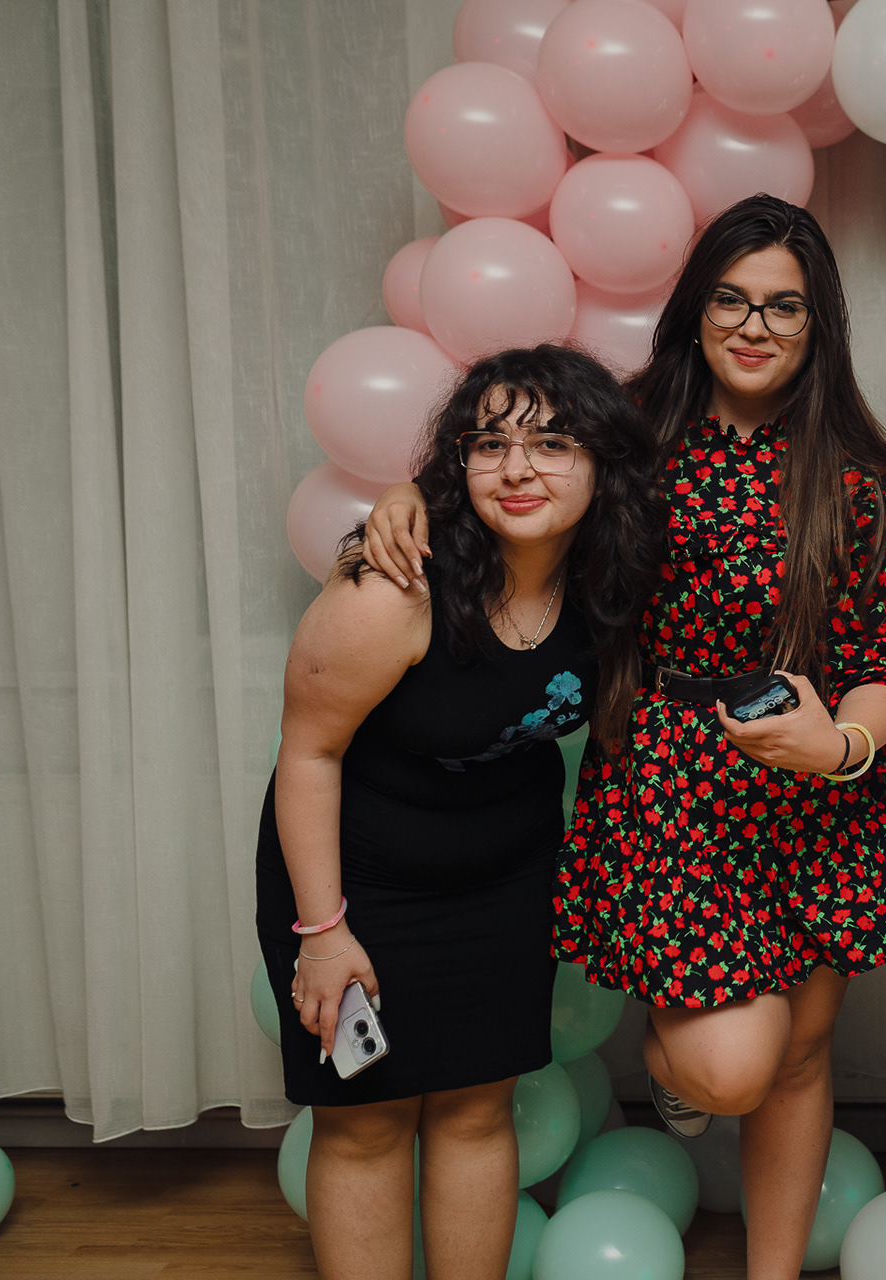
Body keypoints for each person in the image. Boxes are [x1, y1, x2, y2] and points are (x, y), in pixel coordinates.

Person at [362, 195, 886, 1280]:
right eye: (730, 299)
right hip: (671, 783)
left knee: (803, 1053)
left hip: (818, 782)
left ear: (818, 323)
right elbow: (504, 481)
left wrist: (843, 750)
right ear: (695, 308)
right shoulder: (625, 431)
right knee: (733, 1066)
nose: (754, 325)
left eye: (783, 306)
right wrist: (405, 495)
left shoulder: (860, 474)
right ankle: (675, 1083)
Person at [257, 345, 663, 1280]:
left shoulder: (612, 581)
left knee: (479, 1110)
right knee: (364, 1122)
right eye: (490, 444)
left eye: (552, 443)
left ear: (604, 462)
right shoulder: (391, 591)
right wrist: (323, 933)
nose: (517, 468)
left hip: (505, 881)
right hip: (357, 888)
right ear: (460, 463)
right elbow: (307, 755)